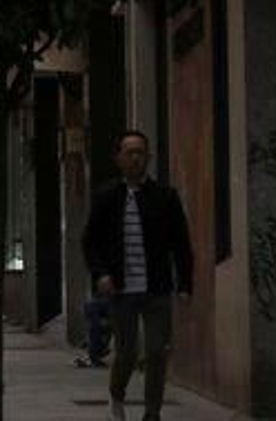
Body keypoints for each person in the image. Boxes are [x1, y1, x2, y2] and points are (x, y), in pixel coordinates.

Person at [82, 130, 194, 421]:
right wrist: (101, 274)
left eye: (140, 152)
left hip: (156, 288)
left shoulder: (165, 197)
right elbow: (90, 242)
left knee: (157, 352)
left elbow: (181, 243)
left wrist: (185, 284)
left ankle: (152, 413)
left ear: (149, 158)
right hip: (121, 290)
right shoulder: (106, 197)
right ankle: (116, 396)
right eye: (129, 152)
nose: (135, 158)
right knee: (127, 353)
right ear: (118, 158)